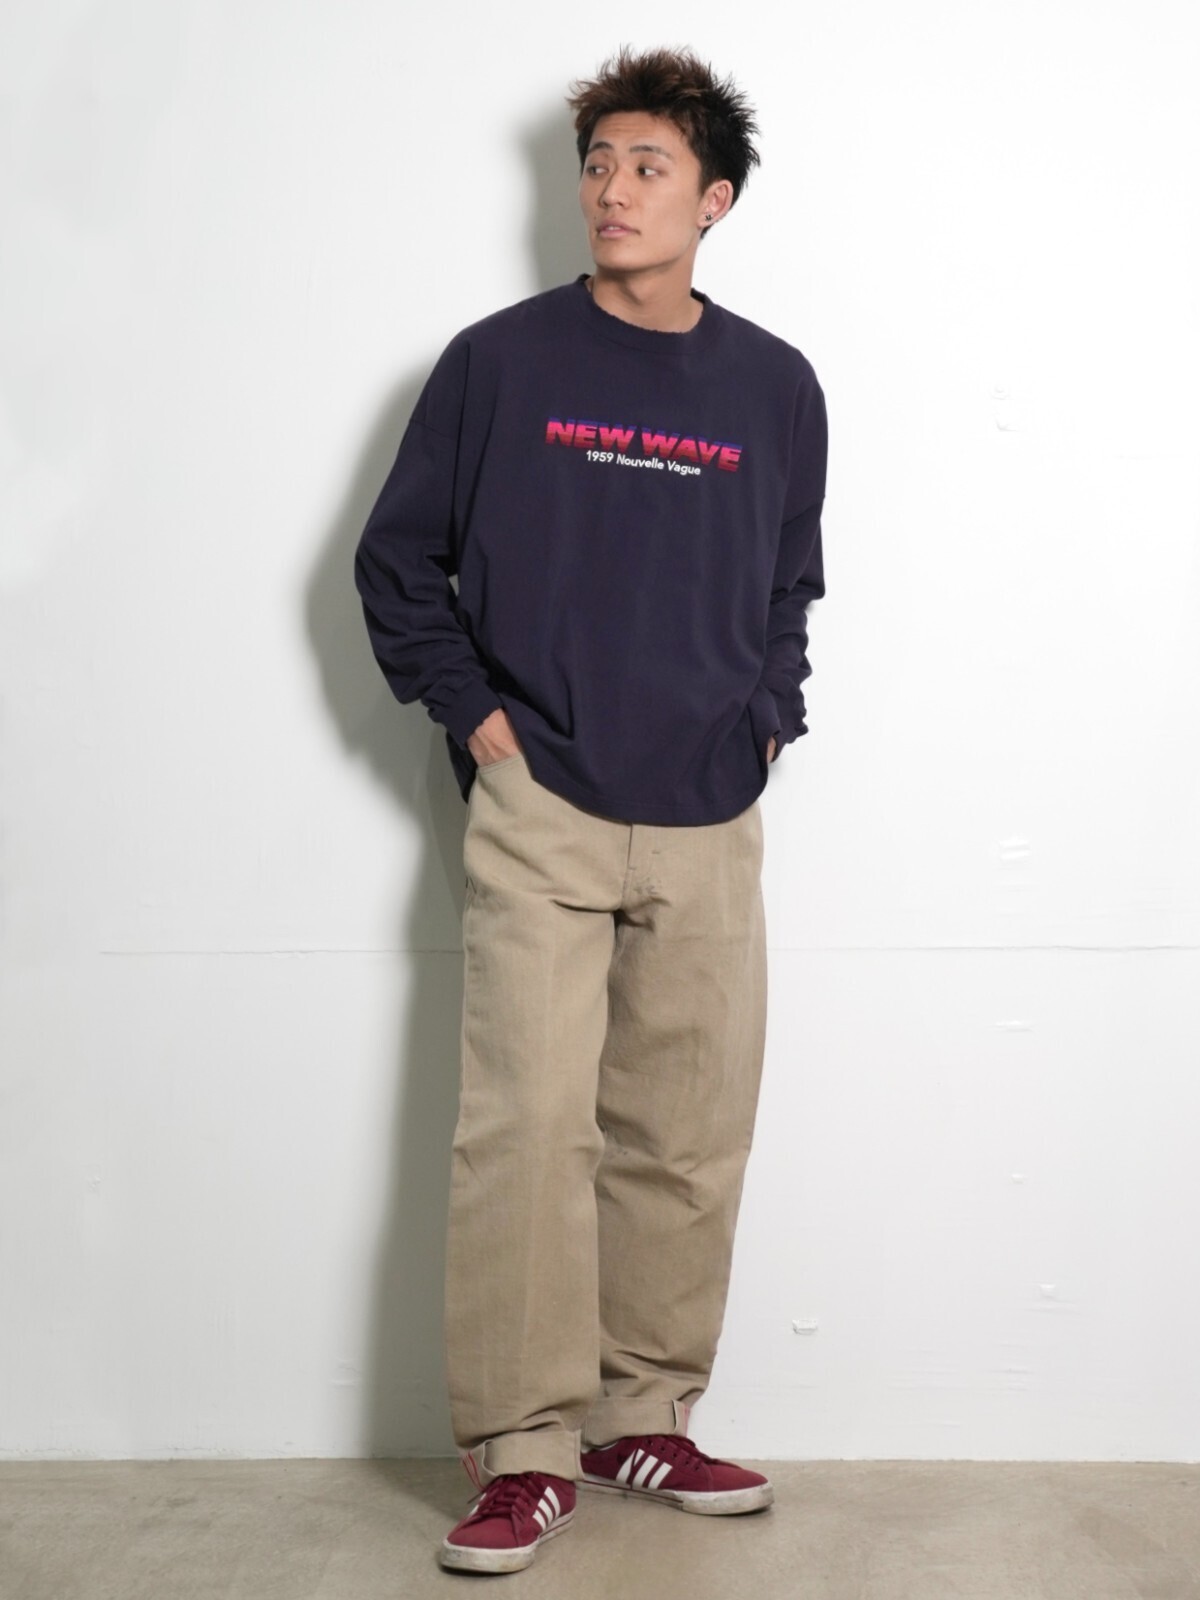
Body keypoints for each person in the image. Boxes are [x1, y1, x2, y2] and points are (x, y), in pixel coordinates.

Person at [354, 43, 828, 1576]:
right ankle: (523, 1450)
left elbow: (791, 585)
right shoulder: (499, 364)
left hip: (711, 808)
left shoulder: (774, 386)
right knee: (526, 1132)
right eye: (599, 164)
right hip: (542, 799)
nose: (613, 191)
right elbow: (395, 564)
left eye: (649, 167)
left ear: (715, 200)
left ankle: (644, 1415)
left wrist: (770, 718)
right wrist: (479, 720)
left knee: (686, 1136)